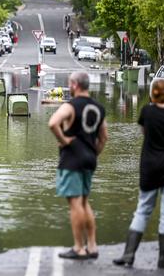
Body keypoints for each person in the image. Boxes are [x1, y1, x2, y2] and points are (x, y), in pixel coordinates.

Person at [113, 80, 164, 269]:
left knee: (142, 209)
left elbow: (144, 132)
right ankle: (162, 258)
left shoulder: (146, 112)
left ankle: (129, 254)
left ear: (154, 94)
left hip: (149, 168)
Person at [49, 72, 108, 260]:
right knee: (84, 202)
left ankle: (78, 248)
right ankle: (92, 246)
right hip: (90, 158)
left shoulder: (70, 106)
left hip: (72, 159)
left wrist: (64, 140)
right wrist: (93, 153)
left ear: (74, 85)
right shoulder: (98, 108)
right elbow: (104, 137)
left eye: (69, 84)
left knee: (75, 204)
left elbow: (53, 123)